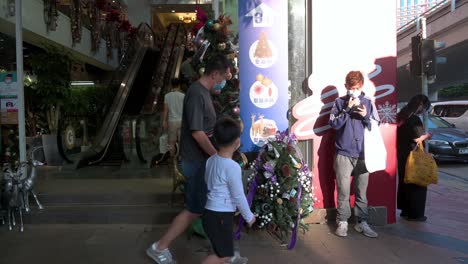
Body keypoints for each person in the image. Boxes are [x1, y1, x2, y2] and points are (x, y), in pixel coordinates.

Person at [146, 54, 231, 264]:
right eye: (223, 77)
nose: (223, 82)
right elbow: (197, 133)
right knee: (197, 209)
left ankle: (224, 253)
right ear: (214, 74)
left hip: (201, 162)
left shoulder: (202, 93)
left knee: (201, 208)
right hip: (196, 162)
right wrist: (217, 156)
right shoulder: (196, 94)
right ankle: (160, 247)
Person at [329, 71, 378, 238]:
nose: (354, 91)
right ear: (346, 87)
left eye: (356, 88)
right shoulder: (339, 102)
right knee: (343, 189)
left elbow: (375, 127)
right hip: (343, 152)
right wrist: (347, 109)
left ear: (362, 86)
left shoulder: (369, 103)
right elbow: (334, 124)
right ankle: (342, 221)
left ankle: (361, 222)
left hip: (364, 153)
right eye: (351, 88)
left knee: (361, 190)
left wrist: (366, 117)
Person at [201, 117, 255, 264]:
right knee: (223, 255)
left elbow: (207, 180)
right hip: (220, 216)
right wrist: (249, 216)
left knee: (222, 250)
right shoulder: (232, 167)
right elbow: (239, 196)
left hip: (210, 213)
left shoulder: (211, 160)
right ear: (237, 142)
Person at [396, 94, 432, 222]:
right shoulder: (414, 119)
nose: (424, 110)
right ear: (420, 105)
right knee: (417, 183)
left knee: (404, 182)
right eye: (424, 107)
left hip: (402, 155)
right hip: (413, 156)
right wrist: (427, 135)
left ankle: (405, 211)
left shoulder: (402, 116)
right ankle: (415, 214)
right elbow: (417, 138)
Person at [162, 78, 185, 158]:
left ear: (171, 85)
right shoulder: (183, 96)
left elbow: (165, 110)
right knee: (182, 141)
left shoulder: (167, 96)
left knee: (171, 142)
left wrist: (164, 121)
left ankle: (172, 159)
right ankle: (181, 158)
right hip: (182, 121)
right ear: (179, 85)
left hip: (172, 121)